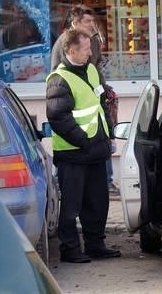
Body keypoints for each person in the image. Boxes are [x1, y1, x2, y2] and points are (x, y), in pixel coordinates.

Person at [46, 28, 121, 263]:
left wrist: (108, 132)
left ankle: (95, 245)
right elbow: (59, 118)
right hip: (73, 154)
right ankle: (70, 250)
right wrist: (84, 140)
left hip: (95, 150)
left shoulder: (91, 69)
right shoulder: (59, 79)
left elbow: (101, 104)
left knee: (97, 203)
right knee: (71, 206)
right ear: (71, 51)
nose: (90, 53)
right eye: (86, 49)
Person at [51, 4, 120, 195]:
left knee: (101, 140)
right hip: (75, 138)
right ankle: (59, 182)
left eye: (92, 21)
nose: (92, 24)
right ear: (76, 22)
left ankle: (108, 180)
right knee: (73, 189)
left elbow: (94, 70)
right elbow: (58, 76)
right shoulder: (63, 43)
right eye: (87, 21)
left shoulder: (92, 41)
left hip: (95, 120)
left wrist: (105, 91)